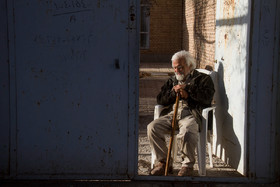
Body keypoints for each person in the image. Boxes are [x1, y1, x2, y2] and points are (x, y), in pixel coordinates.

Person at [147, 50, 215, 176]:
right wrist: (173, 93)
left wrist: (188, 92)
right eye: (174, 68)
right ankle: (163, 163)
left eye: (180, 67)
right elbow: (160, 99)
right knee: (152, 128)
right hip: (173, 114)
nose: (177, 71)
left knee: (187, 131)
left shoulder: (203, 79)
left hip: (192, 114)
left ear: (190, 65)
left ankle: (187, 165)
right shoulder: (173, 80)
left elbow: (207, 98)